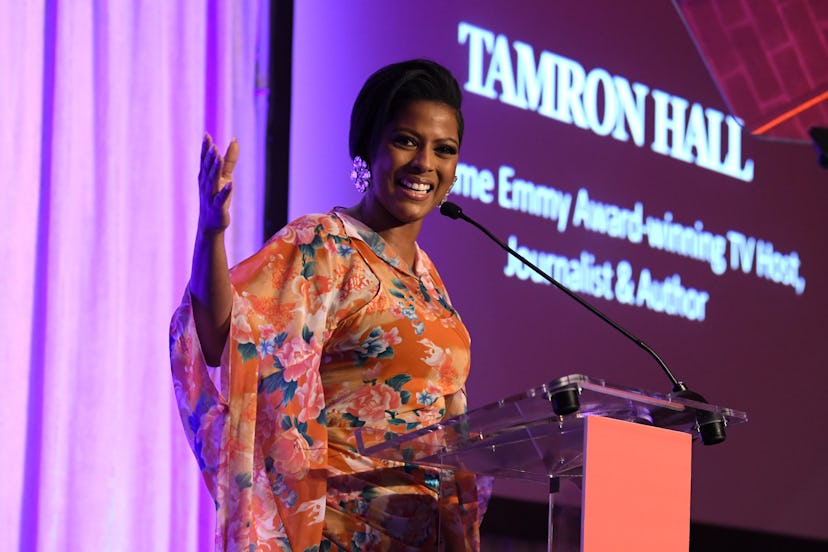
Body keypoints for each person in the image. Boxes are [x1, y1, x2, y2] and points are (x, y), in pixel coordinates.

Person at [170, 59, 489, 551]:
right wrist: (210, 232)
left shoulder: (430, 281)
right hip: (340, 534)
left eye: (444, 150)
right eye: (406, 140)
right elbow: (220, 336)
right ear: (368, 148)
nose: (426, 162)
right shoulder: (325, 245)